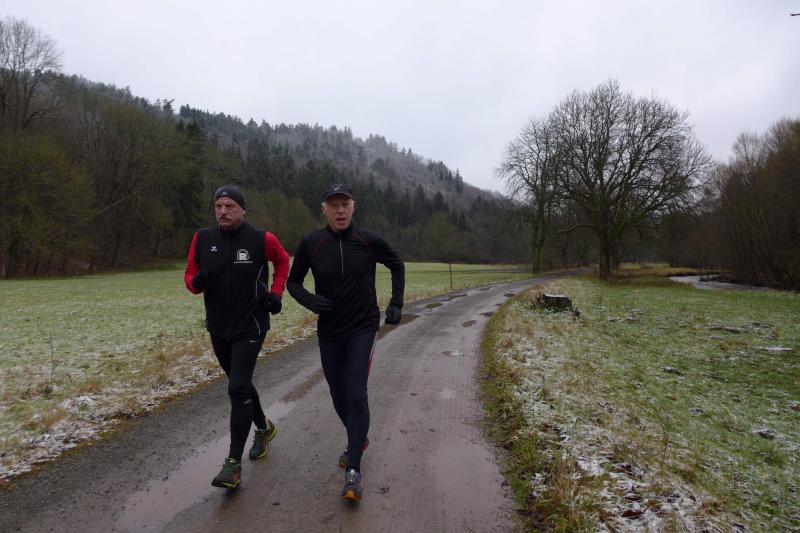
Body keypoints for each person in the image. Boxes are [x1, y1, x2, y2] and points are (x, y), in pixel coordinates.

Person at [287, 183, 405, 501]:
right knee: (338, 395)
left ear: (354, 208)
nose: (339, 211)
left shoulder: (369, 240)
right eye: (333, 205)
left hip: (362, 328)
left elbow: (397, 265)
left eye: (345, 205)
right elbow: (293, 282)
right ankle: (358, 438)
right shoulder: (312, 242)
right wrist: (310, 301)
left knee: (355, 392)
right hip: (329, 330)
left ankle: (353, 468)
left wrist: (396, 302)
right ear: (324, 210)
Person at [184, 185, 290, 489]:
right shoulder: (202, 238)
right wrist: (197, 282)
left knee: (237, 388)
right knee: (239, 385)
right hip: (218, 327)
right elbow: (190, 278)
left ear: (242, 209)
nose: (223, 211)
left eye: (229, 206)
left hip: (251, 325)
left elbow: (283, 262)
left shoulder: (261, 239)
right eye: (218, 206)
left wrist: (276, 293)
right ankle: (264, 428)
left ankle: (232, 464)